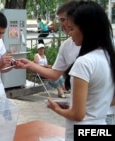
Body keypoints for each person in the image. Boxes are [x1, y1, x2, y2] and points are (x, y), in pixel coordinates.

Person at [48, 1, 115, 140]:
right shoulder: (108, 57)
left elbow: (78, 115)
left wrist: (56, 108)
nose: (70, 34)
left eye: (72, 29)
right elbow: (103, 99)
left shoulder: (84, 62)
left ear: (85, 29)